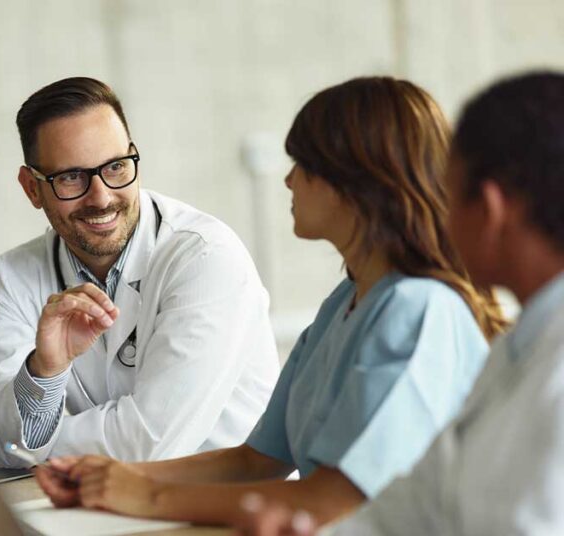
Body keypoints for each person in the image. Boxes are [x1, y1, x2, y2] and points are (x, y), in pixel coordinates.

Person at [35, 77, 506, 527]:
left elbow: (331, 502)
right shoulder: (344, 302)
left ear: (356, 184)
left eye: (303, 165)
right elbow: (257, 461)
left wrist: (144, 496)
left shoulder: (419, 310)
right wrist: (110, 477)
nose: (288, 180)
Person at [239, 71, 564, 535]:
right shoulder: (517, 354)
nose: (439, 213)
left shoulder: (429, 311)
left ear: (489, 209)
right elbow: (414, 508)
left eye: (450, 195)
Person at [0, 76, 281, 468]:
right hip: (104, 499)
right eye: (71, 177)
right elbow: (4, 436)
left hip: (227, 502)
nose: (101, 197)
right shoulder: (17, 274)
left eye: (116, 167)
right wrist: (43, 371)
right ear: (32, 188)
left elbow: (150, 444)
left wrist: (23, 447)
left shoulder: (206, 256)